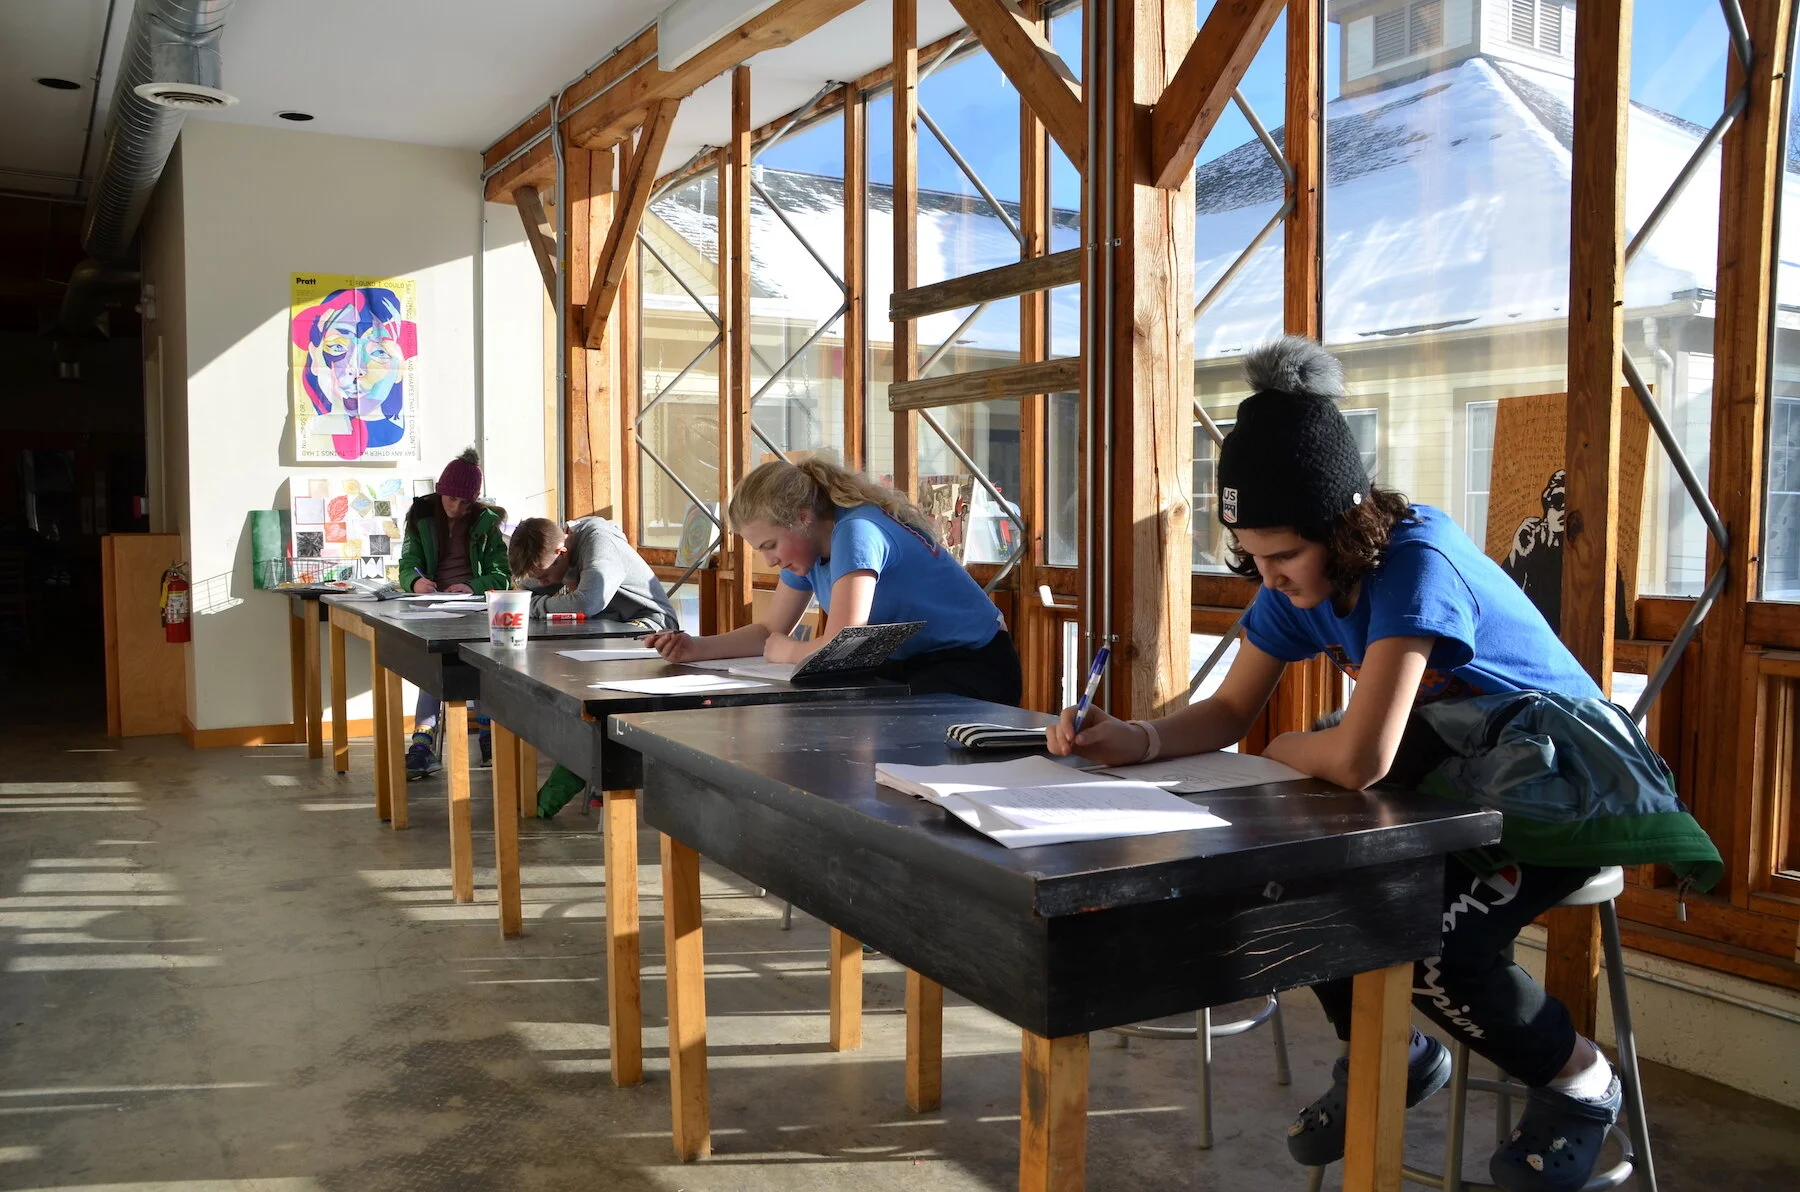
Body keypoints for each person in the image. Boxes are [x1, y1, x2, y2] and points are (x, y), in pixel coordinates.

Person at [1047, 337, 1719, 1192]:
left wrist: (1285, 749)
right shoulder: (1303, 579)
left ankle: (1582, 1084)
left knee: (1435, 945)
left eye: (1283, 557)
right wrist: (1136, 739)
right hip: (1455, 776)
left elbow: (1361, 758)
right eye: (1252, 556)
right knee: (1305, 883)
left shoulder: (1415, 564)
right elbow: (1227, 711)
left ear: (1341, 527)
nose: (1269, 578)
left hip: (1561, 783)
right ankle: (1387, 1052)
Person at [645, 457, 1022, 706]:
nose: (769, 561)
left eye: (770, 545)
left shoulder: (856, 530)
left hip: (972, 665)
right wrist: (697, 648)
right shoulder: (806, 552)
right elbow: (769, 631)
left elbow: (842, 647)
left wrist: (788, 652)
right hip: (911, 664)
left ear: (802, 517)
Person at [509, 514, 680, 816]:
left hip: (650, 629)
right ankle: (582, 768)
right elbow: (525, 588)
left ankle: (580, 774)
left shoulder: (598, 540)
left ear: (562, 552)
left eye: (545, 576)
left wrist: (531, 606)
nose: (544, 583)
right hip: (606, 628)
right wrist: (524, 598)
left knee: (591, 691)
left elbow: (588, 602)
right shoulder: (554, 555)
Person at [398, 448, 509, 778]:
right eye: (451, 499)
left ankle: (488, 739)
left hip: (475, 608)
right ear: (440, 490)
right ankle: (422, 744)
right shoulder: (421, 516)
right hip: (432, 609)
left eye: (465, 503)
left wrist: (472, 586)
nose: (457, 508)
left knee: (481, 667)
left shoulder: (487, 523)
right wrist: (415, 581)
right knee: (433, 671)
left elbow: (503, 576)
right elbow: (407, 564)